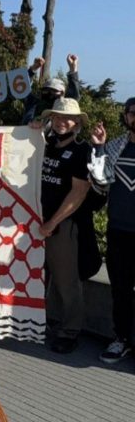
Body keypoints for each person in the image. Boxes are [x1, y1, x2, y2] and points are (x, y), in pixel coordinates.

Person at [34, 98, 92, 354]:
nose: (61, 122)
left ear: (77, 122)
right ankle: (38, 322)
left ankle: (69, 331)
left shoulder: (82, 150)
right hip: (38, 220)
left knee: (66, 280)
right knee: (38, 275)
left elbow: (79, 193)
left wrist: (52, 223)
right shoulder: (46, 145)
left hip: (64, 224)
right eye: (57, 117)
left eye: (67, 118)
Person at [90, 97, 135, 364]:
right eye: (132, 113)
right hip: (118, 230)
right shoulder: (117, 146)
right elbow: (100, 179)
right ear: (126, 116)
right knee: (120, 289)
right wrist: (98, 148)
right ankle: (121, 339)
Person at [21, 54, 81, 124]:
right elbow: (22, 90)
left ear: (62, 93)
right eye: (46, 90)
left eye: (54, 91)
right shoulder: (33, 103)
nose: (49, 93)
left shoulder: (64, 108)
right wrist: (33, 69)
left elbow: (73, 96)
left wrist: (73, 69)